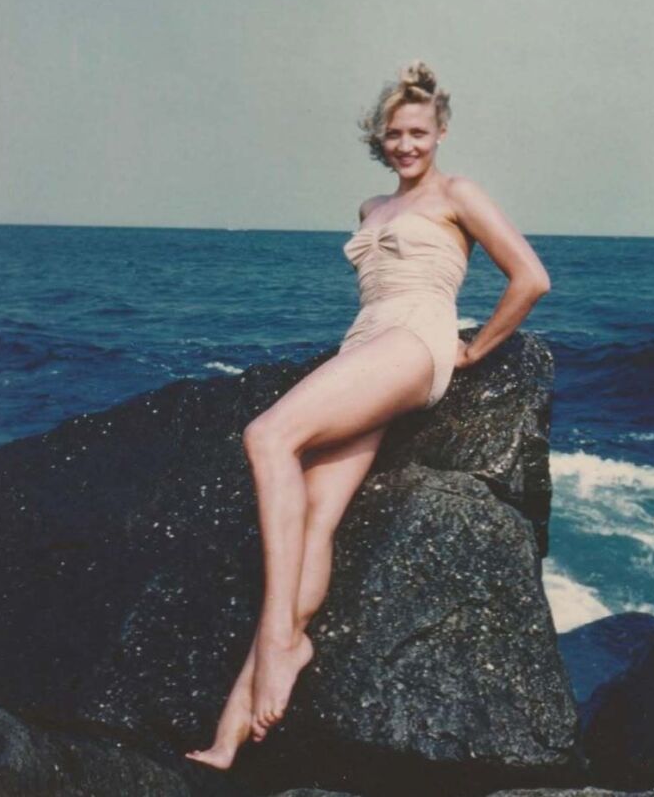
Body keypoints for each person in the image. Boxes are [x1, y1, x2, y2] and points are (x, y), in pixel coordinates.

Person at [185, 61, 551, 770]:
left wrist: (475, 349)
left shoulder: (458, 192)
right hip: (367, 345)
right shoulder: (369, 209)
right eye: (394, 135)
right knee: (312, 518)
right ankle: (226, 742)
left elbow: (530, 276)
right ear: (378, 141)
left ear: (440, 132)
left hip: (414, 343)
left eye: (418, 132)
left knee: (267, 436)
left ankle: (281, 646)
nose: (407, 145)